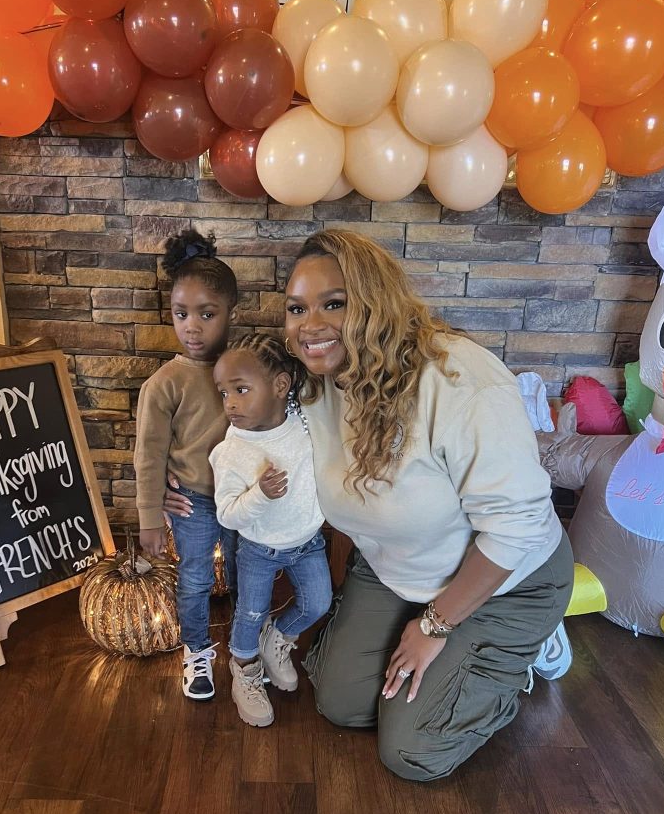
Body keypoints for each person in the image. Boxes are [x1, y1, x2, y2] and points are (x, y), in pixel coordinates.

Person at [281, 229, 574, 781]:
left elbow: (516, 526)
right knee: (341, 702)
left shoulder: (459, 379)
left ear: (375, 302)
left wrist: (434, 626)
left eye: (333, 303)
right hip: (399, 568)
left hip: (509, 577)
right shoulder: (314, 383)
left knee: (413, 751)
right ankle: (443, 646)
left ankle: (526, 646)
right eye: (297, 308)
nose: (309, 324)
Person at [134, 229, 237, 703]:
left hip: (244, 499)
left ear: (230, 312)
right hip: (193, 502)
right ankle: (197, 652)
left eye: (206, 314)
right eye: (181, 314)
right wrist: (150, 514)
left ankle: (246, 650)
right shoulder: (165, 383)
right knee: (195, 579)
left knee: (245, 574)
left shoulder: (245, 367)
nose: (192, 327)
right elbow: (150, 452)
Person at [210, 333, 332, 728]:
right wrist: (260, 495)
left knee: (318, 603)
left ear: (280, 386)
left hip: (308, 541)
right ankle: (244, 670)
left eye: (241, 389)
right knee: (250, 612)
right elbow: (228, 515)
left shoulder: (303, 422)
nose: (230, 403)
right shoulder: (231, 451)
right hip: (259, 549)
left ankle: (277, 637)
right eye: (224, 392)